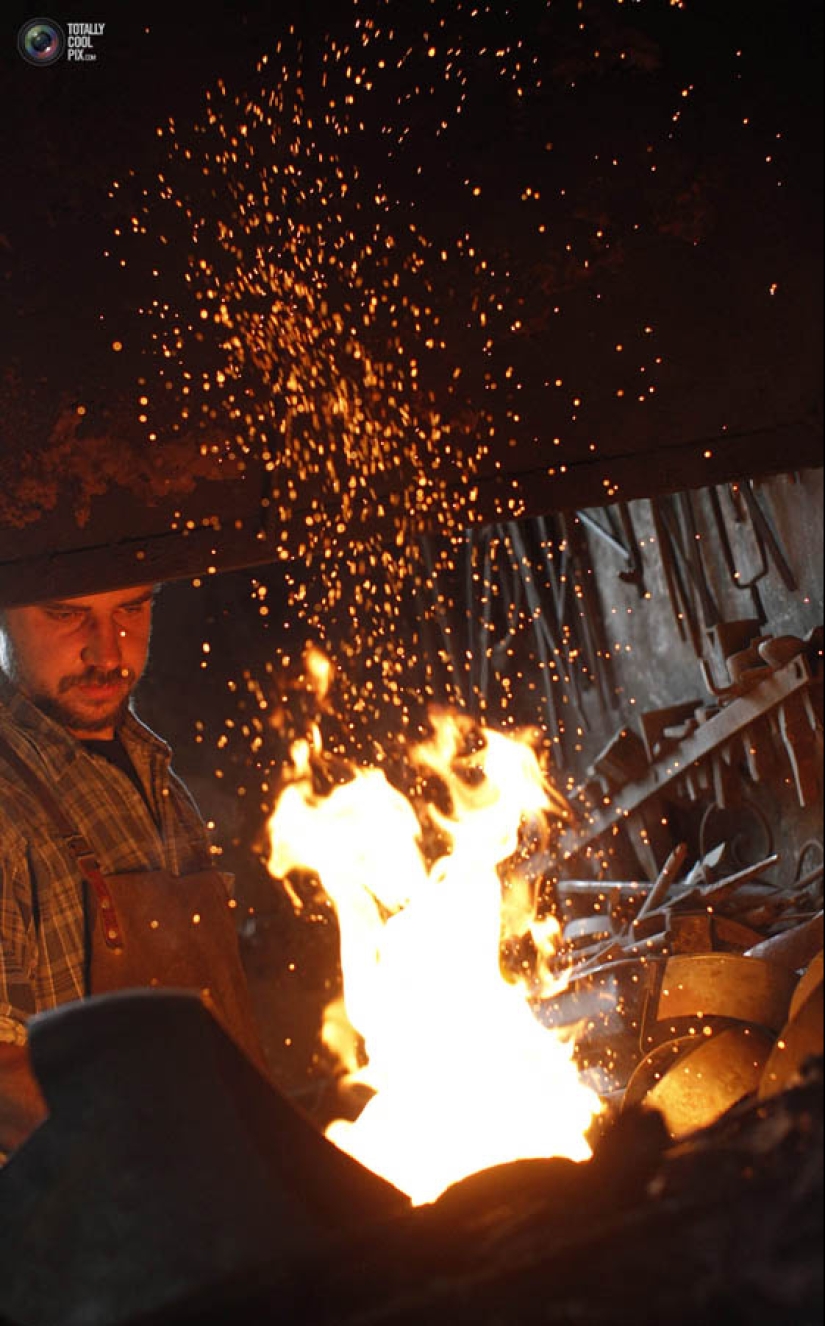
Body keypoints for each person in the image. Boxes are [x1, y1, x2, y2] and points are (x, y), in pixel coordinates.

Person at [0, 582, 265, 1161]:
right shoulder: (7, 802)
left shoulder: (154, 776)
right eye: (65, 612)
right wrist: (166, 1182)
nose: (108, 652)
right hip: (75, 1236)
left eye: (131, 608)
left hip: (210, 1209)